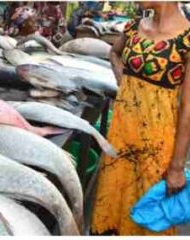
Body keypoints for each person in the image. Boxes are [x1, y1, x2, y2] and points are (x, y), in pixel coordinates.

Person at [92, 2, 190, 235]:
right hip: (120, 137)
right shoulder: (134, 26)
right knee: (112, 202)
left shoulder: (186, 39)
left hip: (156, 146)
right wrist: (122, 78)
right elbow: (114, 52)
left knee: (148, 212)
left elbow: (188, 108)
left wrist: (177, 166)